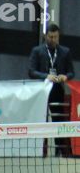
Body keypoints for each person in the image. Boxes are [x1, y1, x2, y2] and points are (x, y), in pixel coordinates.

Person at [29, 23, 75, 155]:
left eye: (55, 37)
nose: (53, 39)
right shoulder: (37, 51)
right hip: (41, 91)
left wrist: (65, 76)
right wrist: (46, 76)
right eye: (50, 37)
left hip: (57, 89)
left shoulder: (65, 52)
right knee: (41, 117)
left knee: (58, 119)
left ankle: (60, 148)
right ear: (45, 36)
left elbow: (71, 72)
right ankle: (39, 149)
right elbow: (31, 71)